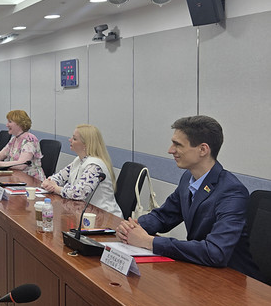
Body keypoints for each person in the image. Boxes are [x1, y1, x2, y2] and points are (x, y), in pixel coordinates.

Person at [116, 116, 260, 278]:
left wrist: (150, 242)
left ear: (203, 150)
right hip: (201, 271)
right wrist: (132, 228)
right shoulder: (188, 179)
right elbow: (164, 216)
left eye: (178, 145)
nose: (170, 150)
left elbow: (216, 252)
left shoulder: (232, 192)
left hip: (231, 279)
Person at [41, 124, 122, 217]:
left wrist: (56, 188)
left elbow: (79, 193)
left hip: (105, 216)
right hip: (86, 213)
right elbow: (59, 177)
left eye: (74, 139)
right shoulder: (78, 160)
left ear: (86, 145)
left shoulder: (94, 165)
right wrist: (49, 182)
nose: (70, 140)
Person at [0, 110, 45, 180]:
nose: (7, 125)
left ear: (19, 124)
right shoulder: (14, 139)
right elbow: (0, 155)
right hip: (17, 177)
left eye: (10, 122)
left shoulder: (29, 140)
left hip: (31, 180)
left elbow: (21, 165)